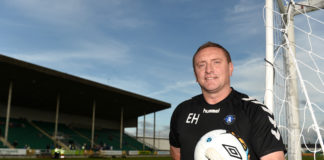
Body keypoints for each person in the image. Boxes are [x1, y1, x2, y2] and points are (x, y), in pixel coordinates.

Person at [169, 42, 286, 160]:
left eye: (216, 62)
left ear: (230, 68)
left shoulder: (254, 110)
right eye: (201, 65)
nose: (209, 70)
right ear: (195, 74)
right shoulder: (181, 111)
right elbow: (177, 154)